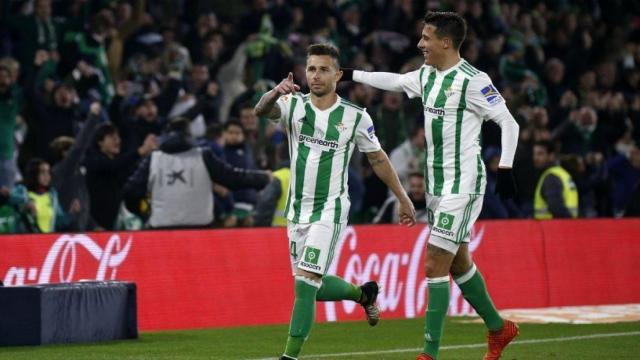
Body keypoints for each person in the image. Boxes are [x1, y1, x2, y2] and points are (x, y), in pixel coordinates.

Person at [343, 12, 520, 360]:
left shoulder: (473, 80)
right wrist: (350, 74)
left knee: (433, 265)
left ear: (446, 42)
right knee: (458, 264)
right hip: (437, 186)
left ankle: (429, 354)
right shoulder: (427, 76)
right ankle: (500, 329)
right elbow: (395, 80)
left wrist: (506, 167)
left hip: (463, 186)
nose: (421, 44)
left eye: (426, 38)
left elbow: (508, 122)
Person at [254, 43, 416, 360]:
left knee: (305, 284)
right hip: (296, 211)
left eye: (324, 69)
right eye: (311, 68)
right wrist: (275, 91)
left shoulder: (355, 117)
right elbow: (261, 111)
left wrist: (403, 197)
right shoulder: (293, 105)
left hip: (330, 211)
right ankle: (363, 294)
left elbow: (379, 160)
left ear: (337, 74)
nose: (315, 75)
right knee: (311, 287)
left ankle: (289, 356)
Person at [123, 117, 270, 229]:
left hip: (161, 228)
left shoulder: (153, 159)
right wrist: (263, 178)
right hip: (200, 230)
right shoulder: (203, 155)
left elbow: (130, 191)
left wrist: (146, 212)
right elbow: (233, 178)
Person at [532, 140, 579, 219]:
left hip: (551, 227)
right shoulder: (562, 173)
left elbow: (556, 207)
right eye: (534, 154)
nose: (535, 158)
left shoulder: (551, 177)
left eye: (540, 154)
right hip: (567, 226)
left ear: (551, 156)